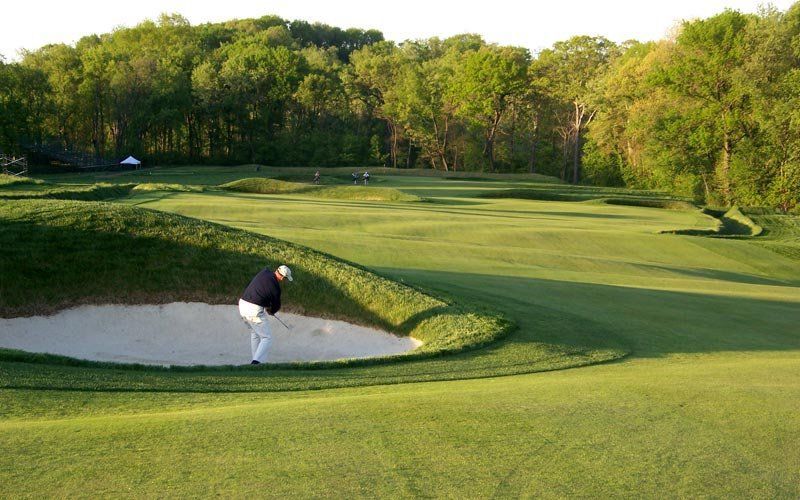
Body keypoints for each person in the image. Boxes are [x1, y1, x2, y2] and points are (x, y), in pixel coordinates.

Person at [238, 264, 293, 364]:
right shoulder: (276, 288)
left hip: (242, 304)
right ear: (281, 276)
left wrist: (267, 306)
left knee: (255, 333)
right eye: (284, 278)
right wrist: (271, 311)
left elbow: (261, 290)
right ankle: (256, 362)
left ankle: (256, 361)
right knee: (267, 338)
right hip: (253, 310)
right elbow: (276, 306)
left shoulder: (264, 272)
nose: (282, 280)